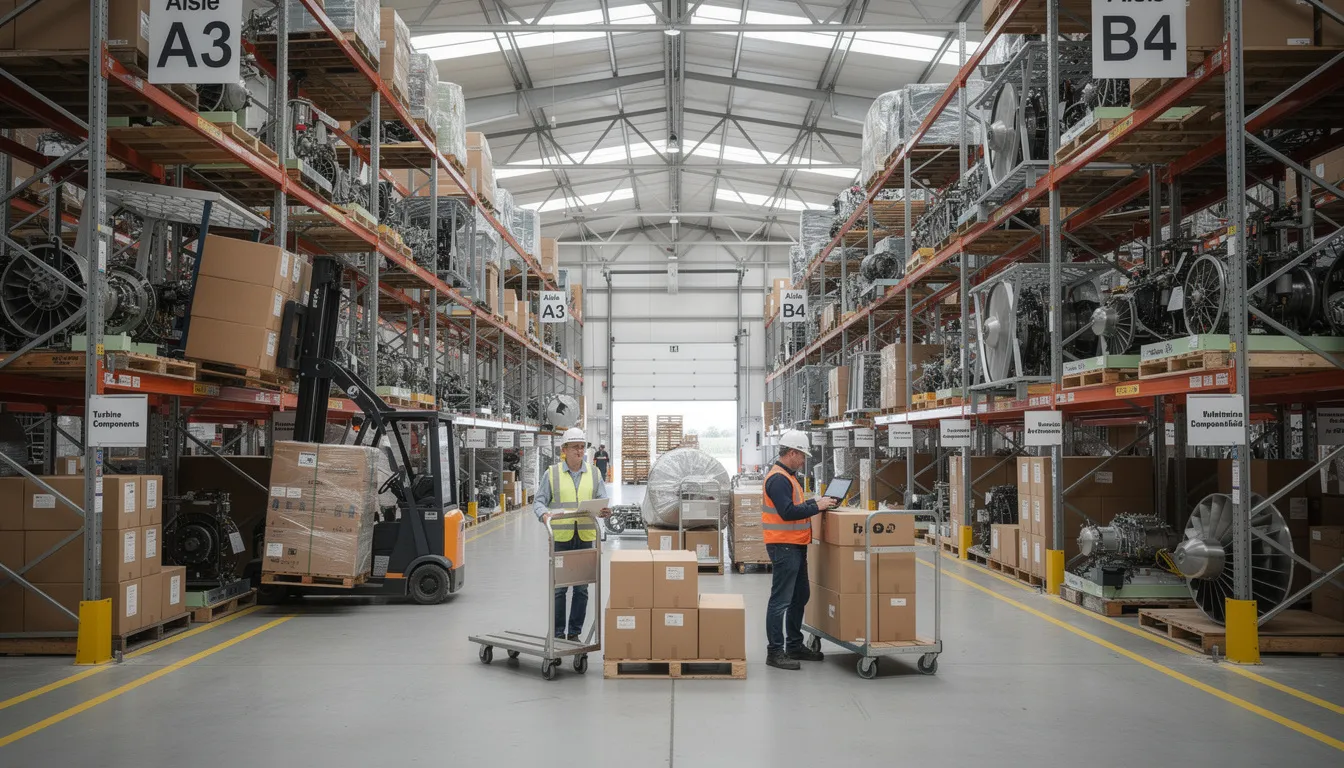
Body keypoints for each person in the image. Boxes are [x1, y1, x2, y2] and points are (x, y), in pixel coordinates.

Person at [763, 429, 837, 670]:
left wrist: (816, 503)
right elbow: (787, 512)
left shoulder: (789, 476)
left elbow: (794, 505)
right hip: (783, 545)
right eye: (802, 455)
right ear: (792, 453)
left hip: (795, 545)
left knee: (800, 596)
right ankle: (775, 651)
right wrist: (816, 507)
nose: (804, 460)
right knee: (781, 600)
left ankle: (794, 645)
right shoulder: (778, 479)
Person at [533, 427, 611, 640]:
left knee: (582, 589)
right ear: (564, 449)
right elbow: (538, 501)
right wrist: (544, 515)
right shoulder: (552, 474)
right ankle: (558, 634)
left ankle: (574, 633)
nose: (579, 451)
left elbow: (602, 498)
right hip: (561, 539)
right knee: (559, 589)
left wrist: (605, 511)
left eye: (582, 447)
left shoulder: (594, 473)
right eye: (575, 447)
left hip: (586, 538)